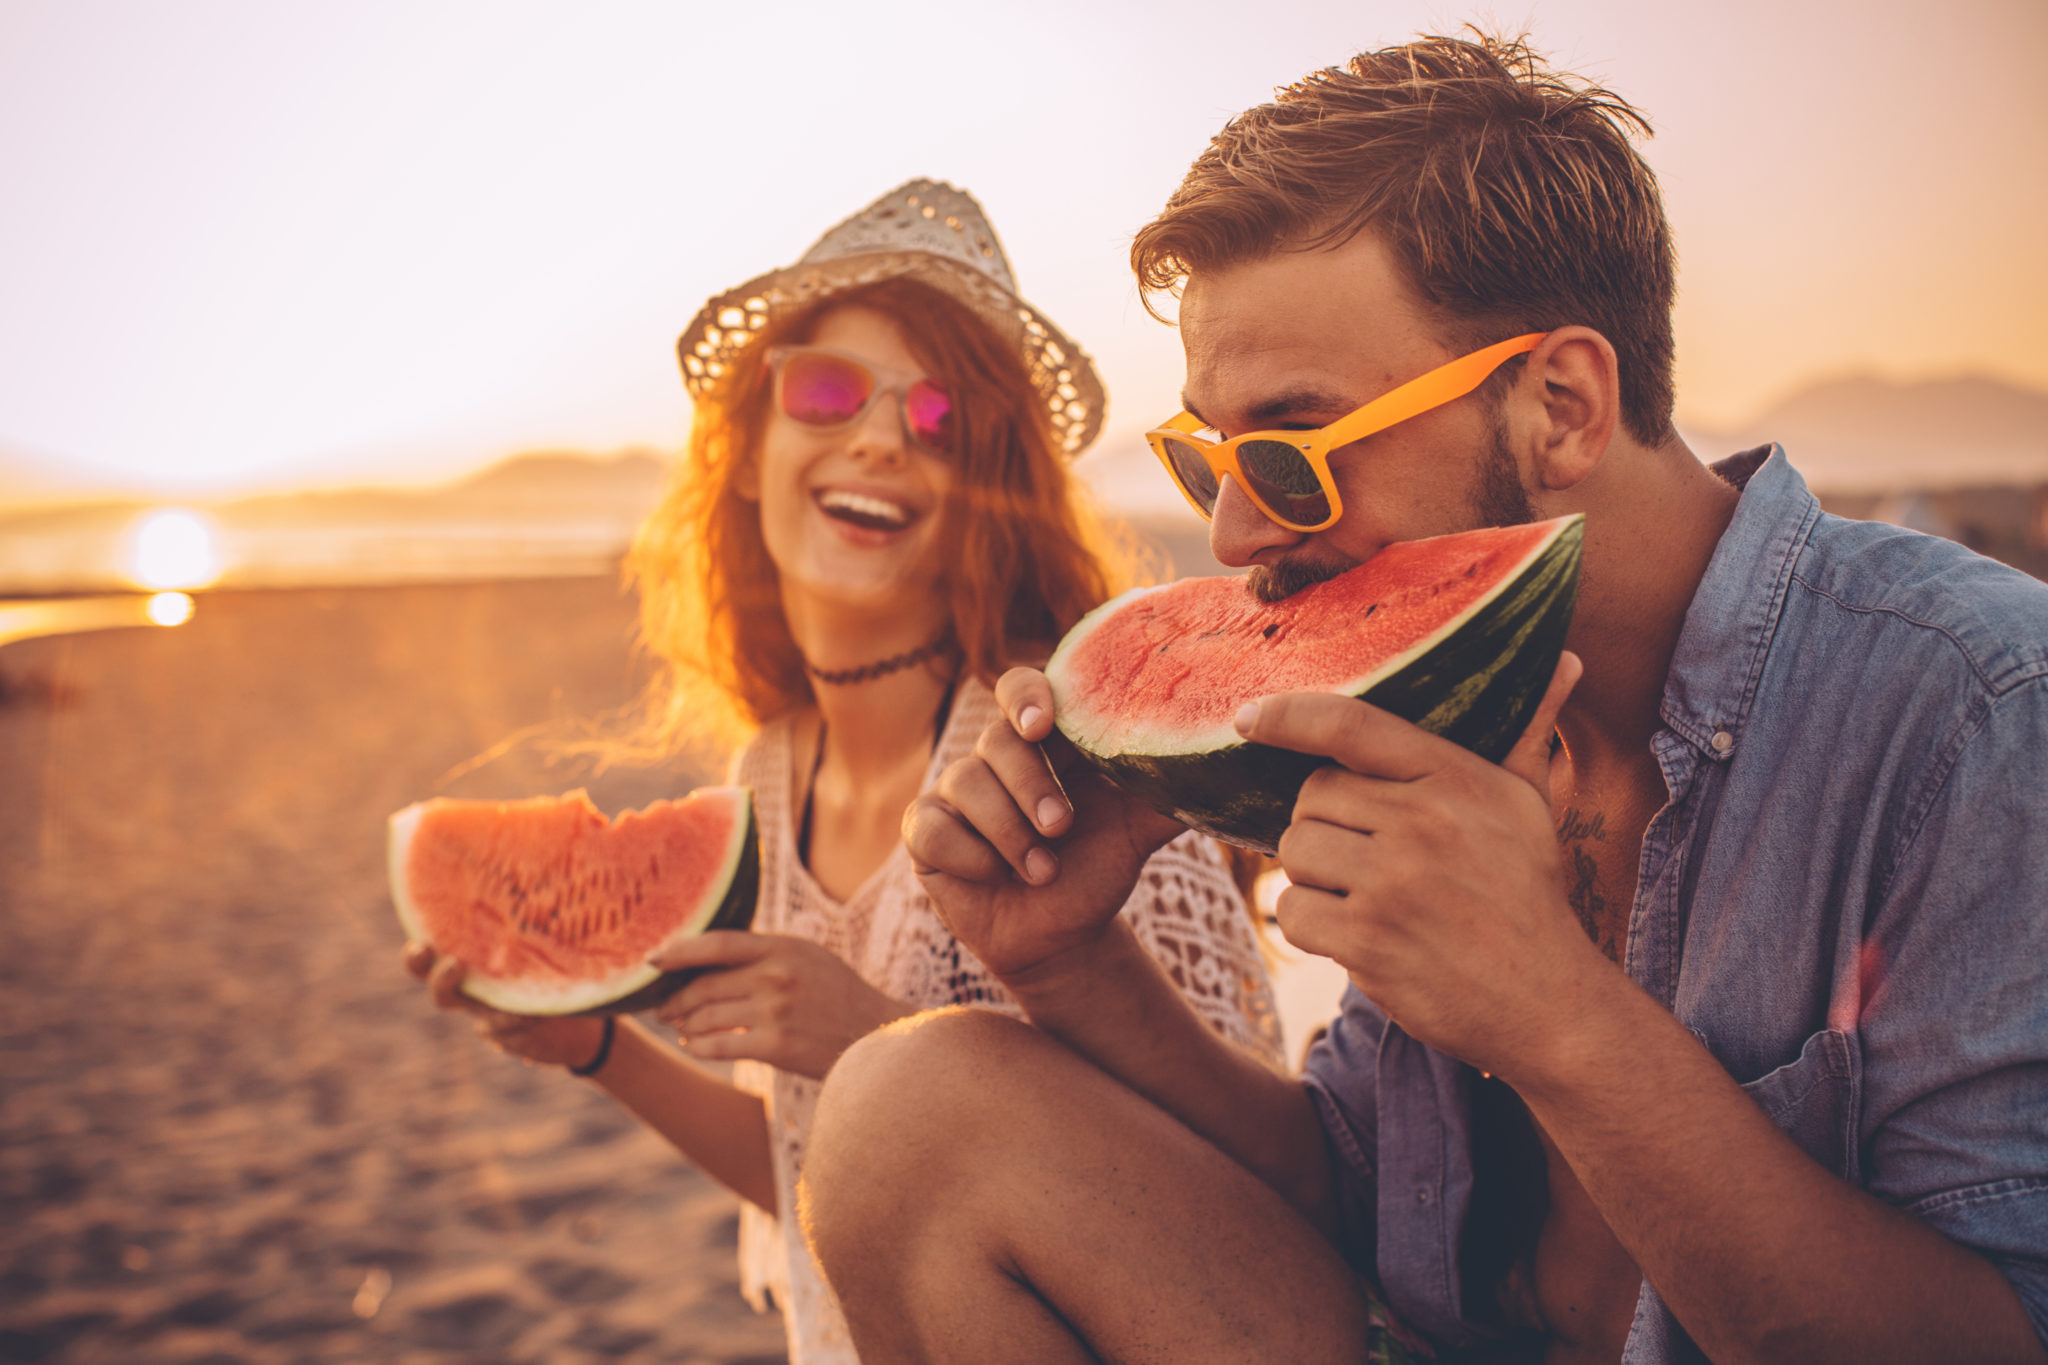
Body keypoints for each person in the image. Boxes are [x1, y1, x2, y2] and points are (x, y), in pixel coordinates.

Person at [800, 37, 2048, 1365]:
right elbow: (1353, 1185)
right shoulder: (1446, 703)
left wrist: (1555, 1014)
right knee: (907, 1108)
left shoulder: (1977, 713)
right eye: (1206, 458)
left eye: (1289, 449)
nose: (1230, 534)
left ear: (1560, 405)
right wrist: (1068, 961)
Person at [400, 180, 1282, 1364]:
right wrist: (600, 1049)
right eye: (824, 392)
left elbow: (1252, 1220)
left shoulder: (1064, 771)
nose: (875, 436)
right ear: (748, 458)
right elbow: (806, 1165)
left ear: (987, 496)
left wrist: (872, 1040)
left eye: (936, 420)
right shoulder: (770, 768)